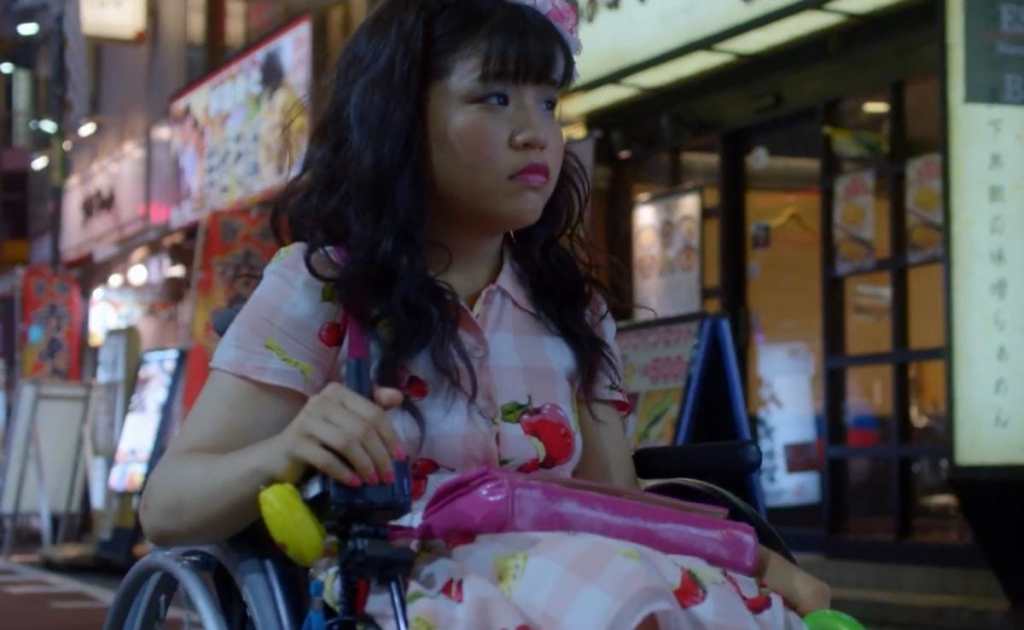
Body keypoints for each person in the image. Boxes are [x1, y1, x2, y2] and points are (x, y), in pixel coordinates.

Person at [140, 1, 831, 628]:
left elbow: (615, 507)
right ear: (400, 119)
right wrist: (287, 450)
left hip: (582, 579)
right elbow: (167, 507)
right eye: (495, 98)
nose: (536, 134)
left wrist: (757, 562)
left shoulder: (573, 310)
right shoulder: (324, 289)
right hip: (398, 591)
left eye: (549, 103)